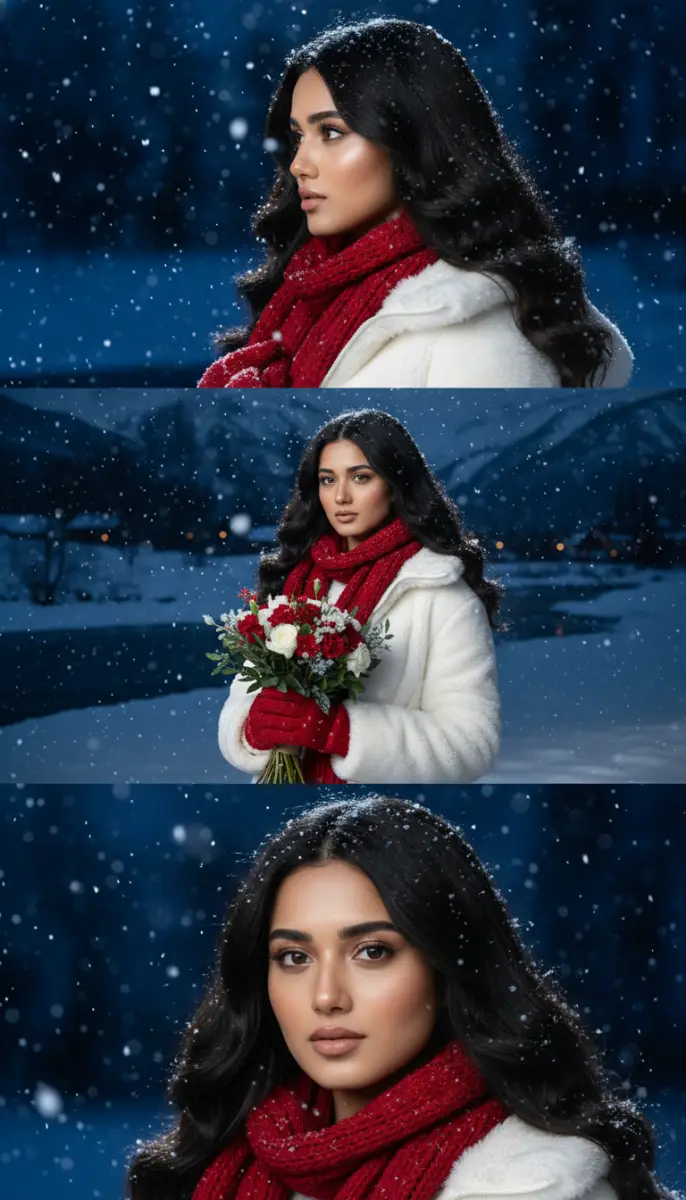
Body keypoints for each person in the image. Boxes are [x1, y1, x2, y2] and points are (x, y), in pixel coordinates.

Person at [126, 794, 670, 1200]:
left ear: (447, 965)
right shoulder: (217, 1170)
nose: (326, 996)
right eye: (295, 957)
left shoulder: (538, 1181)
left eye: (372, 952)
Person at [197, 18, 633, 391]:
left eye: (330, 132)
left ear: (411, 140)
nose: (298, 164)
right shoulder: (304, 297)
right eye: (297, 137)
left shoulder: (479, 335)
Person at [217, 409, 502, 784]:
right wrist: (253, 728)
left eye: (361, 477)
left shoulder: (443, 596)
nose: (340, 496)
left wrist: (342, 732)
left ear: (396, 485)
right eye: (327, 479)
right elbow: (242, 700)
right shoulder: (293, 581)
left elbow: (472, 745)